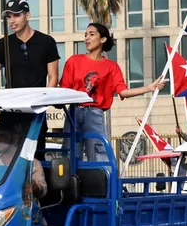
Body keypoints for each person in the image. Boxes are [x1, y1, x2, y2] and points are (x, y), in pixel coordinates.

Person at [59, 22, 164, 160]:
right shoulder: (74, 61)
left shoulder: (111, 67)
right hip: (73, 111)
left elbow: (123, 91)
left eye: (91, 34)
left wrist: (149, 88)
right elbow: (64, 89)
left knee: (99, 153)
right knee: (69, 153)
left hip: (94, 113)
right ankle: (70, 181)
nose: (86, 38)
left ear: (102, 39)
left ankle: (102, 180)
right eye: (85, 35)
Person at [0, 0, 60, 92]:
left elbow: (53, 77)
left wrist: (44, 98)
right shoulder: (3, 44)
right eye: (9, 17)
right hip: (12, 102)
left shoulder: (46, 41)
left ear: (27, 16)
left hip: (36, 102)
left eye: (16, 15)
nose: (11, 20)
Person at [0, 127, 46, 198]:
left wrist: (34, 187)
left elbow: (42, 190)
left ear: (15, 138)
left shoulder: (32, 163)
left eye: (2, 136)